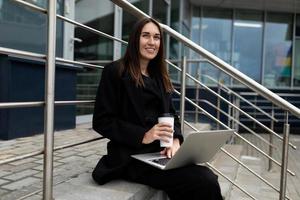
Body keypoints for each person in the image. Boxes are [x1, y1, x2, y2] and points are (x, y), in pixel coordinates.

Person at [92, 17, 223, 200]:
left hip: (159, 154)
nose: (152, 42)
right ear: (135, 39)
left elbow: (172, 116)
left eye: (157, 37)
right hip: (132, 157)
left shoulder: (159, 77)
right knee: (204, 180)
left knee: (204, 178)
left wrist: (175, 139)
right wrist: (143, 135)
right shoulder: (115, 72)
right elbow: (101, 121)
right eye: (146, 36)